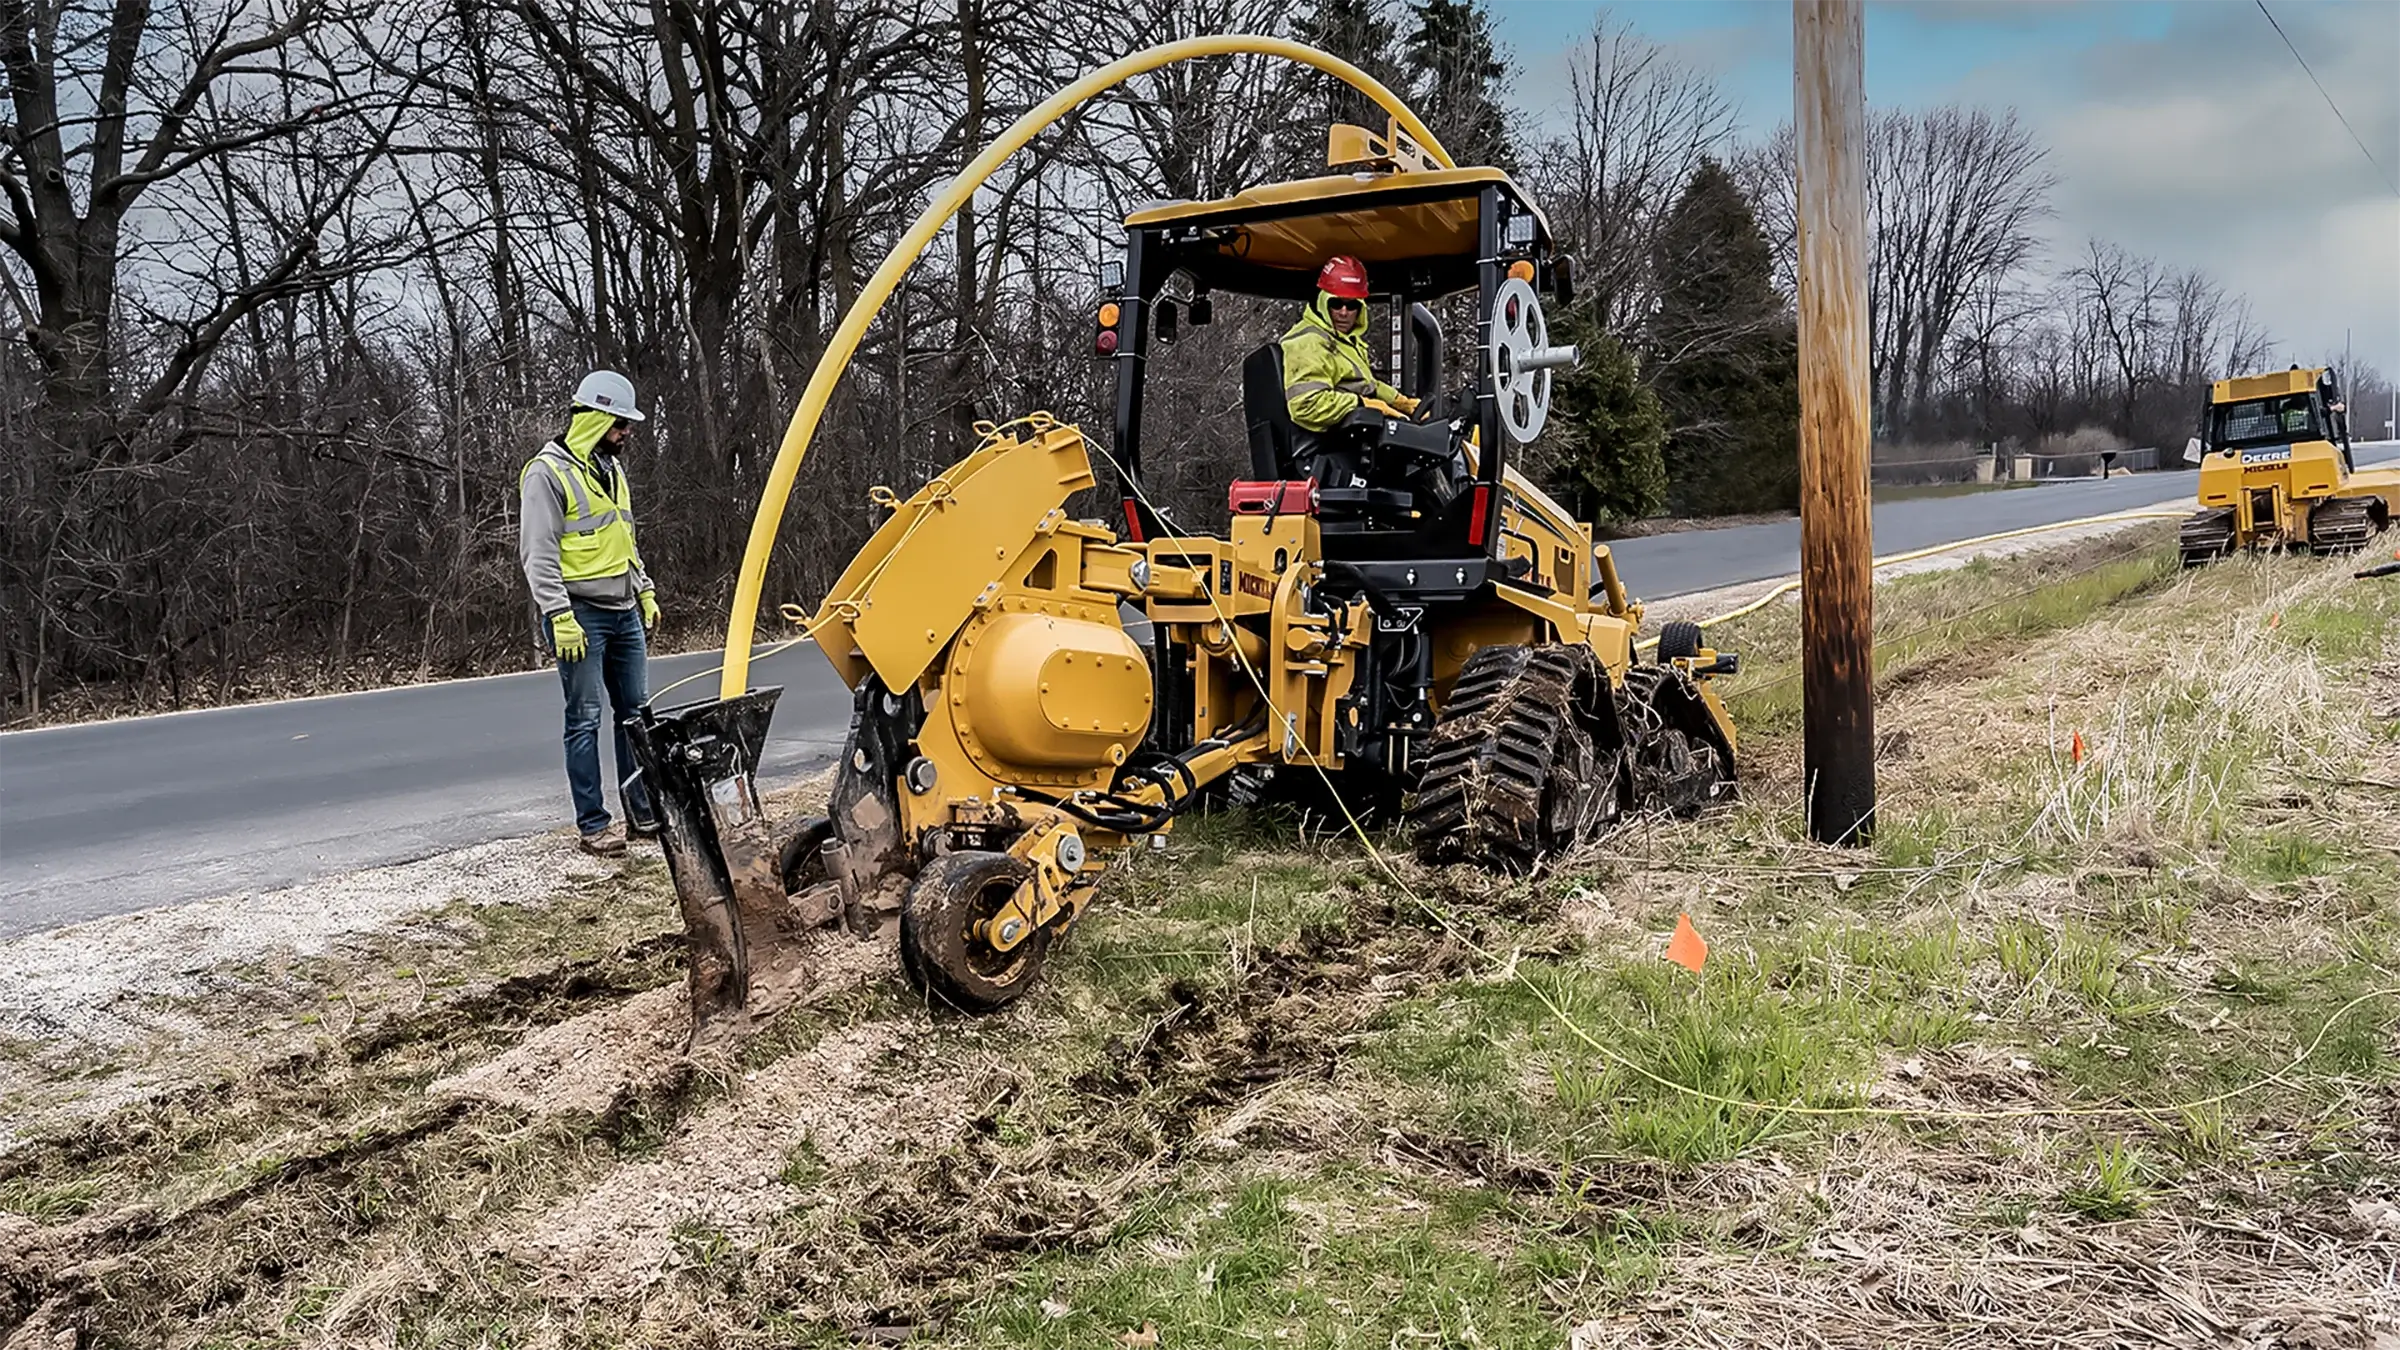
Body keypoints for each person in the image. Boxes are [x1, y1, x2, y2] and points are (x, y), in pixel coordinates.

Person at [520, 370, 661, 856]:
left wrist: (643, 589)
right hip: (580, 613)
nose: (627, 433)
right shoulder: (547, 473)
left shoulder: (610, 469)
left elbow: (624, 538)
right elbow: (538, 554)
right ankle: (593, 825)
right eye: (621, 423)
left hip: (623, 610)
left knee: (637, 716)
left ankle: (642, 814)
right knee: (584, 718)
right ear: (596, 418)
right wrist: (559, 615)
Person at [1279, 255, 1419, 484]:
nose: (1344, 312)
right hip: (1321, 453)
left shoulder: (1345, 342)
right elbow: (1306, 405)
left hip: (1341, 445)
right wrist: (1361, 404)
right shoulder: (1308, 343)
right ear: (1324, 302)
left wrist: (1402, 402)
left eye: (1352, 305)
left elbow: (1365, 385)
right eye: (1336, 304)